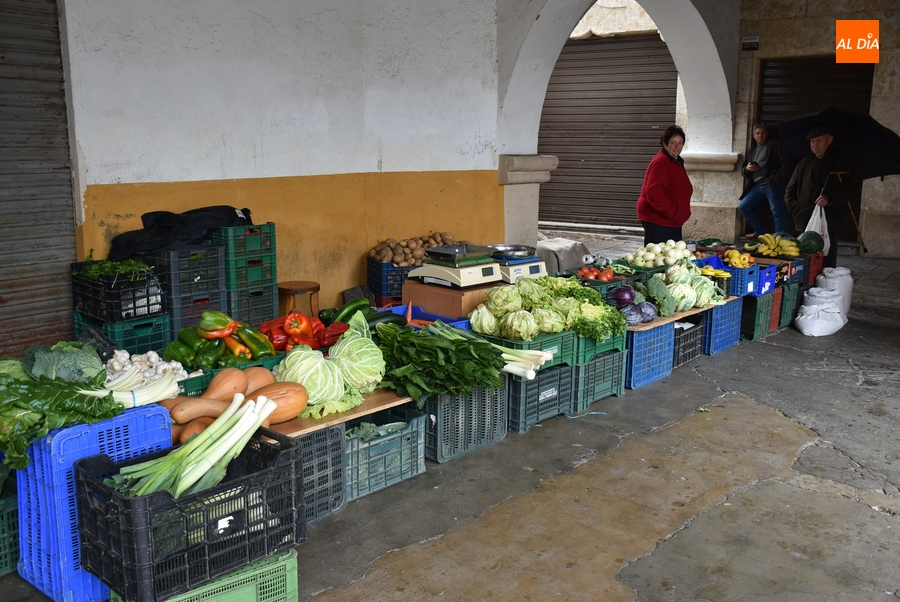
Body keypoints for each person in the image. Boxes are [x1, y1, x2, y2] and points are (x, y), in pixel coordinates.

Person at [783, 126, 852, 268]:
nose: (815, 144)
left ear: (830, 140)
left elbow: (851, 189)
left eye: (819, 140)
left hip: (830, 220)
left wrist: (830, 198)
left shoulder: (842, 162)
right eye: (812, 141)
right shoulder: (805, 163)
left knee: (827, 258)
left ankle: (825, 288)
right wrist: (795, 207)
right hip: (805, 218)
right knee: (805, 258)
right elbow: (790, 189)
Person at [636, 125, 693, 245]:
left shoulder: (675, 161)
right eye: (673, 142)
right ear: (664, 143)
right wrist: (673, 211)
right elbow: (654, 193)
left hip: (670, 220)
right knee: (660, 258)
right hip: (659, 220)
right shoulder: (661, 162)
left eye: (680, 143)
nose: (677, 146)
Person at [738, 123, 793, 238]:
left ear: (767, 134)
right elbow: (743, 170)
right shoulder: (753, 149)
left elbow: (786, 164)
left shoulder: (774, 146)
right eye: (757, 133)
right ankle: (759, 231)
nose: (760, 136)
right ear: (753, 135)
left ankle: (779, 237)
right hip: (757, 185)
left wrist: (778, 179)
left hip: (771, 184)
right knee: (743, 206)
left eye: (763, 133)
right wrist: (748, 169)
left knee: (777, 212)